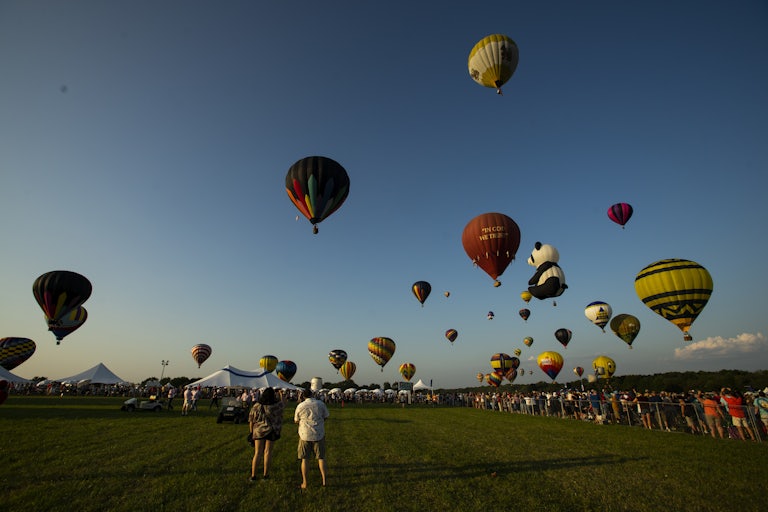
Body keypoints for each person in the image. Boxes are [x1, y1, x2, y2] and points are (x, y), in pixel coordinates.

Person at [248, 387, 288, 481]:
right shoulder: (275, 406)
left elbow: (251, 420)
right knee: (267, 452)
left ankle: (253, 475)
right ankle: (266, 475)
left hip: (258, 431)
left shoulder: (256, 406)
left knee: (257, 453)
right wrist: (281, 394)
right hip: (271, 430)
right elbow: (284, 404)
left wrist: (251, 432)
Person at [294, 389, 330, 489]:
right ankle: (324, 481)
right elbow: (326, 416)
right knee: (321, 458)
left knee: (305, 459)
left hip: (305, 434)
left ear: (303, 396)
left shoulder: (300, 406)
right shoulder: (320, 404)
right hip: (319, 434)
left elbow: (296, 420)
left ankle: (305, 483)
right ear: (312, 394)